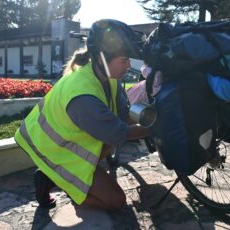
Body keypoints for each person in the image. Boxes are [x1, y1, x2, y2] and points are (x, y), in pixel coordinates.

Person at [14, 19, 149, 210]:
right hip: (51, 149)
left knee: (109, 143)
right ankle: (61, 181)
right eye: (124, 60)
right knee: (116, 201)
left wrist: (149, 116)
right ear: (102, 58)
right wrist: (154, 128)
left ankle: (50, 177)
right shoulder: (83, 96)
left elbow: (122, 116)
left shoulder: (107, 77)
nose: (128, 66)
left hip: (67, 143)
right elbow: (120, 132)